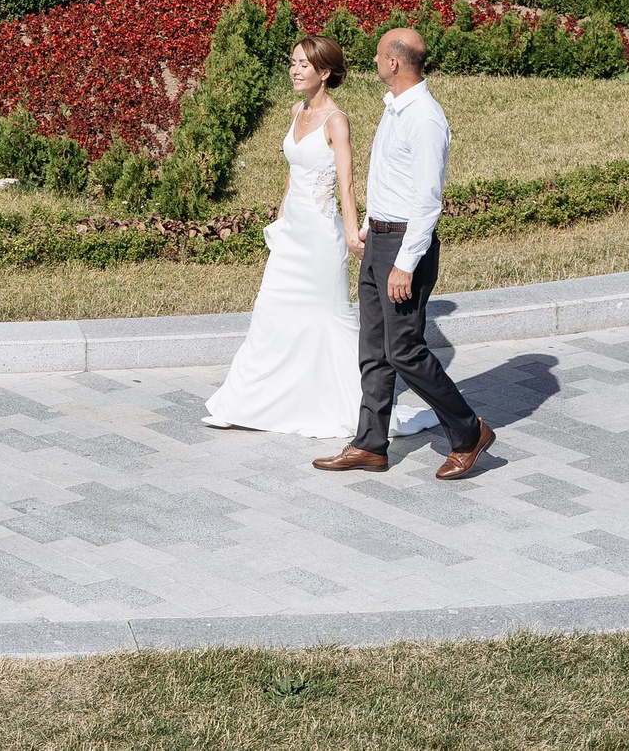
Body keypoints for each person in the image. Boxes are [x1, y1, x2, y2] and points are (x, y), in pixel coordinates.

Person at [203, 38, 435, 438]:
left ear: (324, 72)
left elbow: (346, 183)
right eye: (292, 63)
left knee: (324, 318)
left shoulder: (336, 121)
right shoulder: (297, 111)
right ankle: (250, 401)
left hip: (320, 239)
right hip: (291, 235)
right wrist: (279, 220)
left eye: (303, 66)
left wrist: (351, 232)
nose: (294, 71)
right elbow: (294, 174)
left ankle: (348, 405)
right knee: (271, 312)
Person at [314, 28, 495, 480]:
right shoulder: (395, 110)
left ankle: (470, 433)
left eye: (378, 55)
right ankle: (370, 445)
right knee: (373, 350)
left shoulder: (425, 118)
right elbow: (395, 184)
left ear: (395, 63)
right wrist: (370, 230)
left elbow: (428, 201)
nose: (374, 61)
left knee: (405, 352)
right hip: (381, 238)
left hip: (404, 246)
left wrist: (404, 263)